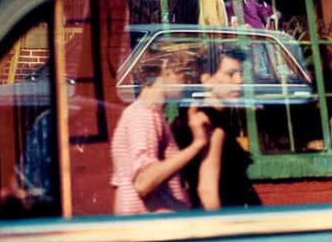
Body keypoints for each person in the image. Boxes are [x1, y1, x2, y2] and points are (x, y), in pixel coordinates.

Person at [111, 45, 210, 215]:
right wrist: (197, 144)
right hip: (153, 231)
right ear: (165, 68)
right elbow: (143, 182)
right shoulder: (143, 116)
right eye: (183, 73)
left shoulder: (150, 114)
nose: (186, 82)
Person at [172, 47, 261, 210]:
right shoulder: (210, 123)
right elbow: (207, 191)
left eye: (240, 73)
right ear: (206, 79)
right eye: (230, 74)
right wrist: (220, 230)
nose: (239, 80)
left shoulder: (213, 117)